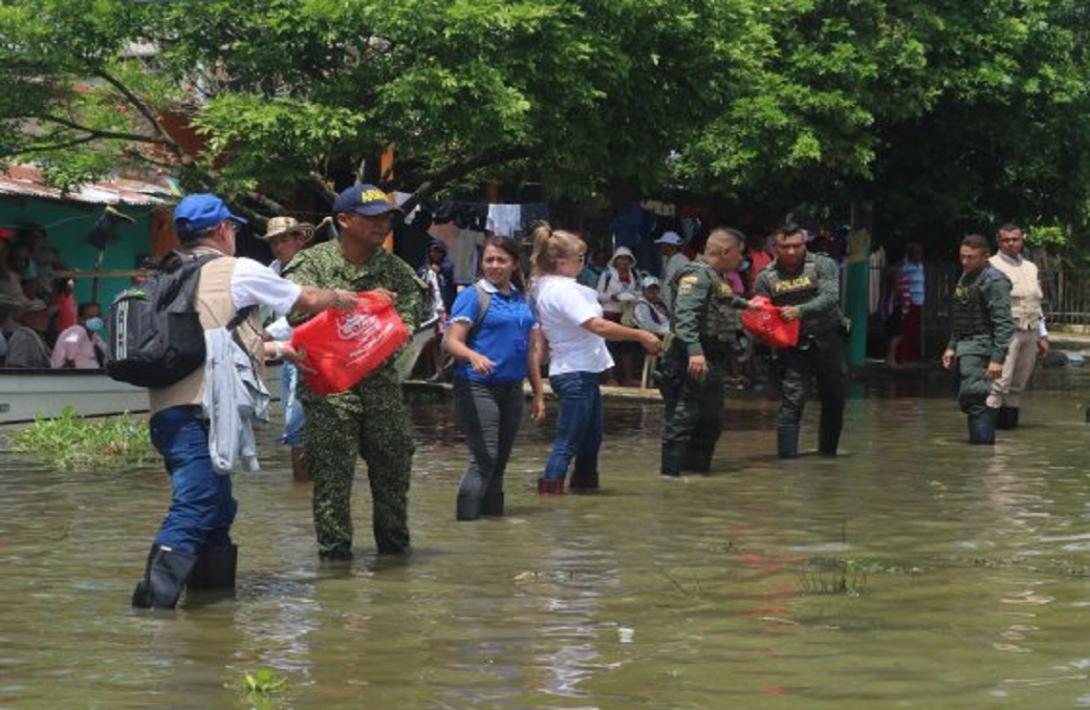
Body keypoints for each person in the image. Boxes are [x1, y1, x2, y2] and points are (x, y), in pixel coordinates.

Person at [131, 193, 364, 609]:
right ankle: (151, 607)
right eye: (233, 228)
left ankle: (211, 607)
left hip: (167, 410)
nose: (235, 234)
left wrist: (278, 352)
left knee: (219, 508)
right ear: (222, 230)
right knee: (197, 501)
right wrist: (343, 298)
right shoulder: (237, 271)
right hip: (197, 413)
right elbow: (304, 299)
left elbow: (207, 342)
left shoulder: (168, 275)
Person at [284, 184, 423, 560]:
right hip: (329, 387)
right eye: (373, 217)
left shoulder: (396, 270)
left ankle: (395, 564)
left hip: (380, 385)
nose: (383, 225)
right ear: (344, 220)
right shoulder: (311, 265)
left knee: (394, 474)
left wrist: (374, 329)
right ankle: (334, 569)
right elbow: (294, 312)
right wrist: (362, 305)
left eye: (387, 218)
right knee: (332, 481)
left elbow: (407, 323)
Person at [530, 223, 661, 494]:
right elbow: (597, 326)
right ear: (561, 262)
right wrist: (640, 335)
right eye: (579, 259)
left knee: (590, 441)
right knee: (568, 442)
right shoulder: (563, 291)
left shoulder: (549, 287)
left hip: (581, 371)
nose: (583, 264)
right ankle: (551, 496)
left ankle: (583, 494)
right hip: (574, 371)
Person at [443, 236, 545, 520]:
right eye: (489, 260)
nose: (494, 266)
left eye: (501, 260)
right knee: (485, 457)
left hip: (512, 388)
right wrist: (473, 356)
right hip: (476, 386)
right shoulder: (473, 296)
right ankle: (466, 525)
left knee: (499, 461)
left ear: (514, 264)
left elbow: (531, 352)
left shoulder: (523, 299)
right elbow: (451, 342)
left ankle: (490, 527)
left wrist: (537, 393)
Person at [754, 224, 848, 458]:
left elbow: (830, 297)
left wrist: (799, 311)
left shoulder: (822, 264)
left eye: (797, 246)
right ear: (776, 248)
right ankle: (787, 463)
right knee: (792, 403)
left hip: (829, 340)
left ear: (804, 244)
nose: (792, 252)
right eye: (786, 247)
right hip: (794, 347)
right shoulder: (766, 277)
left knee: (834, 400)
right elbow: (761, 311)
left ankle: (828, 458)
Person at [659, 228, 746, 476]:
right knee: (682, 419)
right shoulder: (696, 275)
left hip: (712, 359)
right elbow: (685, 315)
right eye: (739, 253)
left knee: (711, 421)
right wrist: (695, 352)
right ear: (726, 251)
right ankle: (671, 479)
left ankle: (697, 476)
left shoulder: (716, 277)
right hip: (689, 360)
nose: (742, 259)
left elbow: (724, 301)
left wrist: (750, 305)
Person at [942, 234, 1014, 445]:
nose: (965, 261)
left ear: (985, 257)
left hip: (982, 345)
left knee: (974, 397)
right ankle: (979, 448)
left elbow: (1004, 323)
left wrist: (997, 358)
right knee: (970, 398)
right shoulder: (966, 277)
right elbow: (961, 315)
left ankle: (981, 452)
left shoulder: (994, 281)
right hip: (966, 344)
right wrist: (951, 347)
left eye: (970, 257)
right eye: (962, 257)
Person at [260, 216, 315, 482]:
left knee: (299, 426)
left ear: (298, 240)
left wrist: (266, 333)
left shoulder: (311, 269)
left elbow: (303, 311)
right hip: (287, 356)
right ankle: (303, 486)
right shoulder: (271, 271)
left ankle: (305, 486)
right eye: (273, 242)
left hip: (310, 354)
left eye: (283, 240)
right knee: (294, 425)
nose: (278, 247)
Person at [986, 224, 1047, 430]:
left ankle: (1009, 433)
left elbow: (1036, 302)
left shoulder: (1031, 267)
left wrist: (1042, 334)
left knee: (1018, 384)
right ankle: (986, 432)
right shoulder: (990, 266)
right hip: (1005, 332)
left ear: (1022, 240)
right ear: (999, 242)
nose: (1011, 243)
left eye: (1015, 239)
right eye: (1006, 240)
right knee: (998, 383)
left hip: (1030, 330)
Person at [596, 245, 643, 385]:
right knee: (609, 346)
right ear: (615, 261)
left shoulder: (635, 274)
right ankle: (610, 377)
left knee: (626, 347)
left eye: (626, 259)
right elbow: (598, 294)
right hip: (610, 313)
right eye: (620, 259)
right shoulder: (607, 274)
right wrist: (613, 297)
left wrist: (632, 297)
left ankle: (627, 378)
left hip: (627, 315)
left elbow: (640, 291)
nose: (623, 262)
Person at [417, 240, 456, 379]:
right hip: (429, 311)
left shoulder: (447, 267)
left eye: (439, 251)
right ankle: (436, 371)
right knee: (432, 341)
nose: (436, 254)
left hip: (443, 310)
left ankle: (446, 370)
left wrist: (440, 271)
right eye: (434, 251)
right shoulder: (423, 270)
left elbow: (451, 277)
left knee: (445, 340)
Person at [50, 302, 106, 369]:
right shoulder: (76, 331)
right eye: (91, 317)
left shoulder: (95, 337)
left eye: (98, 316)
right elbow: (69, 357)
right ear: (80, 319)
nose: (95, 319)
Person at [4, 299, 51, 368]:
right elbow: (15, 367)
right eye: (41, 317)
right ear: (27, 319)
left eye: (46, 317)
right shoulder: (22, 339)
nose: (45, 321)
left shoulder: (34, 336)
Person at [656, 231, 690, 306]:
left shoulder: (683, 261)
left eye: (663, 244)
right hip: (665, 302)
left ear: (670, 246)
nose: (660, 247)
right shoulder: (665, 259)